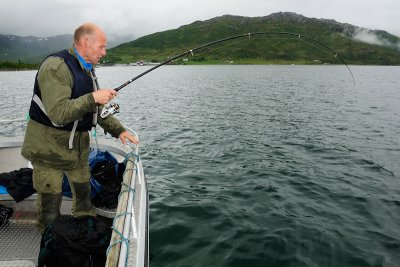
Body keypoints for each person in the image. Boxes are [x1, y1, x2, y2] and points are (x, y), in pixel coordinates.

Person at [21, 23, 139, 233]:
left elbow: (95, 109)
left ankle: (85, 231)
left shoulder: (88, 69)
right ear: (85, 42)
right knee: (50, 205)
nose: (104, 52)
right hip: (48, 149)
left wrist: (119, 130)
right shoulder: (55, 67)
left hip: (77, 149)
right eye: (101, 47)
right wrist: (92, 97)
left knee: (84, 197)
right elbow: (58, 112)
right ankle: (50, 241)